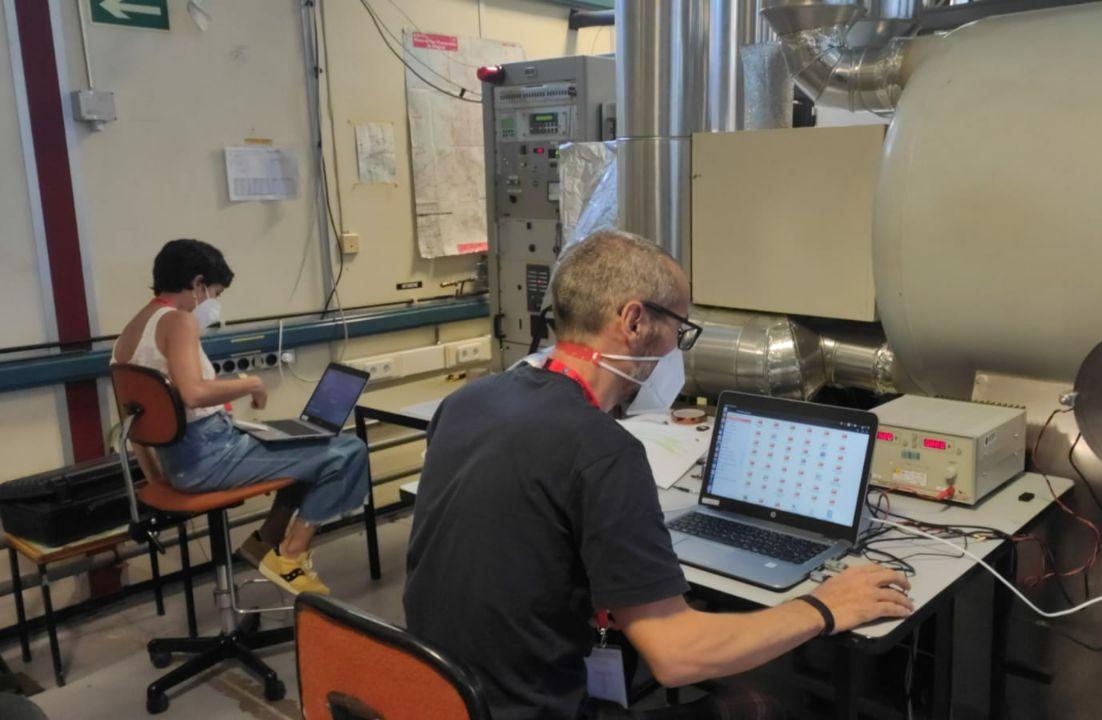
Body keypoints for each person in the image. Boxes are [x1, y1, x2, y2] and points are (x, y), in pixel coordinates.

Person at [403, 230, 913, 719]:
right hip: (527, 710)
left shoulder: (467, 402)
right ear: (634, 320)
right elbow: (676, 657)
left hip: (434, 694)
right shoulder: (601, 450)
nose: (676, 346)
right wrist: (823, 607)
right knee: (763, 704)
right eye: (679, 327)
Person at [112, 239, 369, 595]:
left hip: (179, 463)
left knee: (305, 449)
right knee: (348, 450)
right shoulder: (179, 321)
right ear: (198, 284)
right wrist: (251, 383)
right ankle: (290, 558)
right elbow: (194, 393)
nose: (214, 303)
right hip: (209, 455)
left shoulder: (130, 332)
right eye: (215, 292)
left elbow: (133, 420)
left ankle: (265, 541)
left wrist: (158, 478)